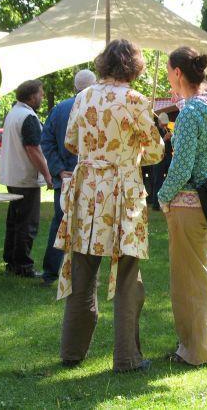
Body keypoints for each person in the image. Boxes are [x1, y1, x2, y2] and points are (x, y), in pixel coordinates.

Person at [54, 39, 164, 373]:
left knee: (82, 272)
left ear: (104, 63)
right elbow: (156, 152)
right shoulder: (136, 101)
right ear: (134, 67)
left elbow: (71, 142)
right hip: (122, 194)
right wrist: (131, 154)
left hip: (87, 193)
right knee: (127, 274)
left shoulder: (83, 97)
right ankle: (127, 358)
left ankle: (72, 351)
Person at [158, 46, 207, 367]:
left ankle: (196, 351)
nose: (167, 79)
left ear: (177, 73)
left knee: (189, 282)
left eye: (168, 73)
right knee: (201, 276)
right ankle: (196, 345)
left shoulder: (189, 113)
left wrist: (163, 196)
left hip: (188, 206)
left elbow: (182, 166)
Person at [38, 69, 97, 287]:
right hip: (90, 177)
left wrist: (59, 169)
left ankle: (51, 273)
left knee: (60, 223)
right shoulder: (98, 108)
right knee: (89, 226)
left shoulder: (60, 109)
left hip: (67, 176)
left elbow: (46, 141)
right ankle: (84, 276)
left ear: (75, 87)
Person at [0, 79, 53, 278]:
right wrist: (47, 174)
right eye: (40, 93)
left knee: (15, 221)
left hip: (13, 175)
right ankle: (23, 265)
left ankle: (12, 261)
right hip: (25, 177)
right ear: (31, 97)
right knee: (27, 223)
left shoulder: (13, 113)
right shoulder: (28, 116)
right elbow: (33, 149)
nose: (42, 97)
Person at [151, 112, 173, 211]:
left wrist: (173, 138)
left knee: (170, 180)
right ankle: (156, 205)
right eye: (163, 123)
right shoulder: (154, 130)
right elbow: (154, 146)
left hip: (168, 156)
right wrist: (164, 138)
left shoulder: (169, 129)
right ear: (159, 122)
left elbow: (172, 146)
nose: (164, 125)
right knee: (157, 181)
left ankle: (169, 203)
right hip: (158, 158)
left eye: (166, 123)